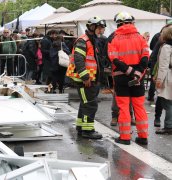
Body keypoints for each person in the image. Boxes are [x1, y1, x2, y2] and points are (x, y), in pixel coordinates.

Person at [108, 12, 149, 145]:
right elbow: (145, 57)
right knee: (139, 107)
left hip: (121, 78)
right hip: (138, 78)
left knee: (124, 108)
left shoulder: (113, 38)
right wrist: (137, 73)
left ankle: (125, 138)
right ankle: (143, 137)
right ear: (131, 22)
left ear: (119, 23)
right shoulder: (140, 37)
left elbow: (113, 58)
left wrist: (128, 71)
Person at [66, 17, 105, 139]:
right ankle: (88, 131)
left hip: (89, 79)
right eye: (100, 28)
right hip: (84, 80)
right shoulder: (83, 41)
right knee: (90, 105)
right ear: (93, 27)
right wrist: (85, 77)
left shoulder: (92, 41)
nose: (102, 31)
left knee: (85, 104)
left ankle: (81, 127)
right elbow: (78, 59)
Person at [154, 26, 172, 134]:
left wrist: (159, 80)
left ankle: (169, 126)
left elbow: (163, 66)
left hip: (168, 76)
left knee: (168, 103)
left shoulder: (166, 47)